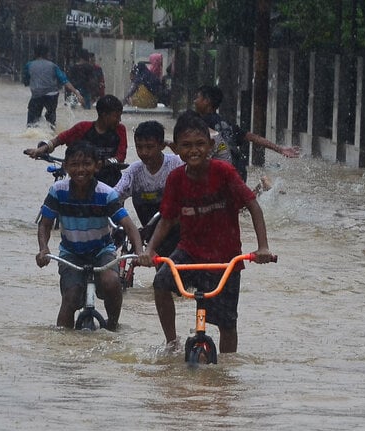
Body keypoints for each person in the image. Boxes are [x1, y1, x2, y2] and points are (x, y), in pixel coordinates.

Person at [138, 111, 274, 353]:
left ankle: (226, 373)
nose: (194, 151)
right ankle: (171, 343)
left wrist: (263, 247)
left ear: (211, 146)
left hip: (226, 258)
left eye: (200, 144)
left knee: (227, 323)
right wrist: (149, 250)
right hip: (189, 253)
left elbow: (253, 205)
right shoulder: (176, 178)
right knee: (161, 281)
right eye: (187, 146)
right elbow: (167, 220)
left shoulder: (224, 172)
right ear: (176, 149)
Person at [36, 141, 144, 331]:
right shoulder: (58, 191)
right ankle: (61, 345)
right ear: (66, 166)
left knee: (111, 283)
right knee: (70, 296)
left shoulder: (106, 194)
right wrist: (43, 249)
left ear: (97, 166)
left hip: (102, 251)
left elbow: (128, 225)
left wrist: (139, 251)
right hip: (71, 254)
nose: (80, 170)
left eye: (86, 164)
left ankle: (112, 326)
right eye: (75, 165)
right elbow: (44, 224)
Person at [193, 85, 300, 182]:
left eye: (197, 98)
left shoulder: (198, 123)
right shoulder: (227, 124)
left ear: (206, 101)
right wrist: (280, 149)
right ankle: (261, 189)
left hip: (221, 171)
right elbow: (253, 137)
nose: (194, 101)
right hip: (239, 170)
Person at [114, 120, 184, 256]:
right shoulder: (134, 171)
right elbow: (114, 195)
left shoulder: (177, 164)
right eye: (139, 147)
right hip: (151, 232)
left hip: (179, 232)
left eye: (149, 147)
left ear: (162, 146)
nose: (144, 152)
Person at [24, 95, 127, 187]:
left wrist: (105, 163)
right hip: (83, 181)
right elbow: (60, 139)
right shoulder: (83, 127)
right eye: (116, 116)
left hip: (112, 183)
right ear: (104, 115)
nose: (119, 120)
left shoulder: (120, 130)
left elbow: (121, 156)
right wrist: (42, 149)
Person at [22, 44, 84, 129]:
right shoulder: (52, 66)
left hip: (36, 95)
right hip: (52, 96)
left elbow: (25, 80)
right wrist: (76, 93)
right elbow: (64, 81)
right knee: (51, 118)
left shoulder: (29, 65)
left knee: (31, 123)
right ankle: (51, 131)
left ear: (35, 54)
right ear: (46, 54)